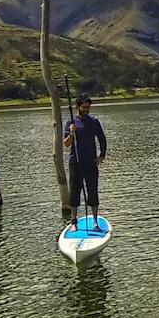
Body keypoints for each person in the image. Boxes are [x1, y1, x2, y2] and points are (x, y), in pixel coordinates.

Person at [62, 94, 107, 223]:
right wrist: (71, 133)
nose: (87, 110)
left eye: (88, 107)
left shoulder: (94, 121)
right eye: (84, 107)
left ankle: (94, 221)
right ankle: (73, 221)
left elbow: (102, 139)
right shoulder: (71, 122)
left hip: (91, 163)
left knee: (92, 191)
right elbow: (66, 144)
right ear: (78, 107)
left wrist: (102, 156)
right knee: (75, 192)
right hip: (76, 162)